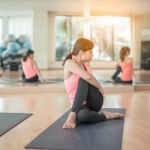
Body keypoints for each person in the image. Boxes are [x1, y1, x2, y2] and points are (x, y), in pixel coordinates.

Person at [63, 38, 124, 129]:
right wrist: (99, 86)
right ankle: (105, 115)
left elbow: (89, 78)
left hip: (94, 101)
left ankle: (72, 113)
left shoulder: (87, 65)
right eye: (90, 52)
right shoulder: (69, 63)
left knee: (84, 79)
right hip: (79, 106)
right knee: (82, 117)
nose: (92, 55)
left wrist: (99, 87)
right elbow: (88, 77)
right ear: (81, 52)